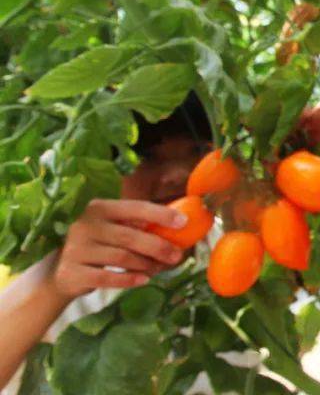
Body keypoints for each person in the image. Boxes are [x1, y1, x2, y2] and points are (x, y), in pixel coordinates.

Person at [0, 93, 213, 392]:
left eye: (198, 150)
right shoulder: (68, 268)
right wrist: (52, 285)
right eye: (146, 156)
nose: (179, 174)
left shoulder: (228, 245)